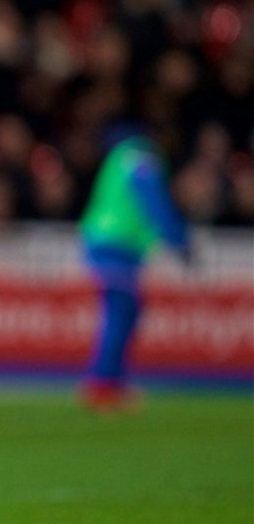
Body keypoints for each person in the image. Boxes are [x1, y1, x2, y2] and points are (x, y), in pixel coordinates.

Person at [78, 122, 190, 410]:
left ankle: (109, 380)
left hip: (108, 241)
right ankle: (103, 383)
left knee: (126, 310)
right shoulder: (141, 157)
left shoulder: (121, 157)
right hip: (115, 243)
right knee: (121, 311)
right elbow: (152, 199)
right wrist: (177, 237)